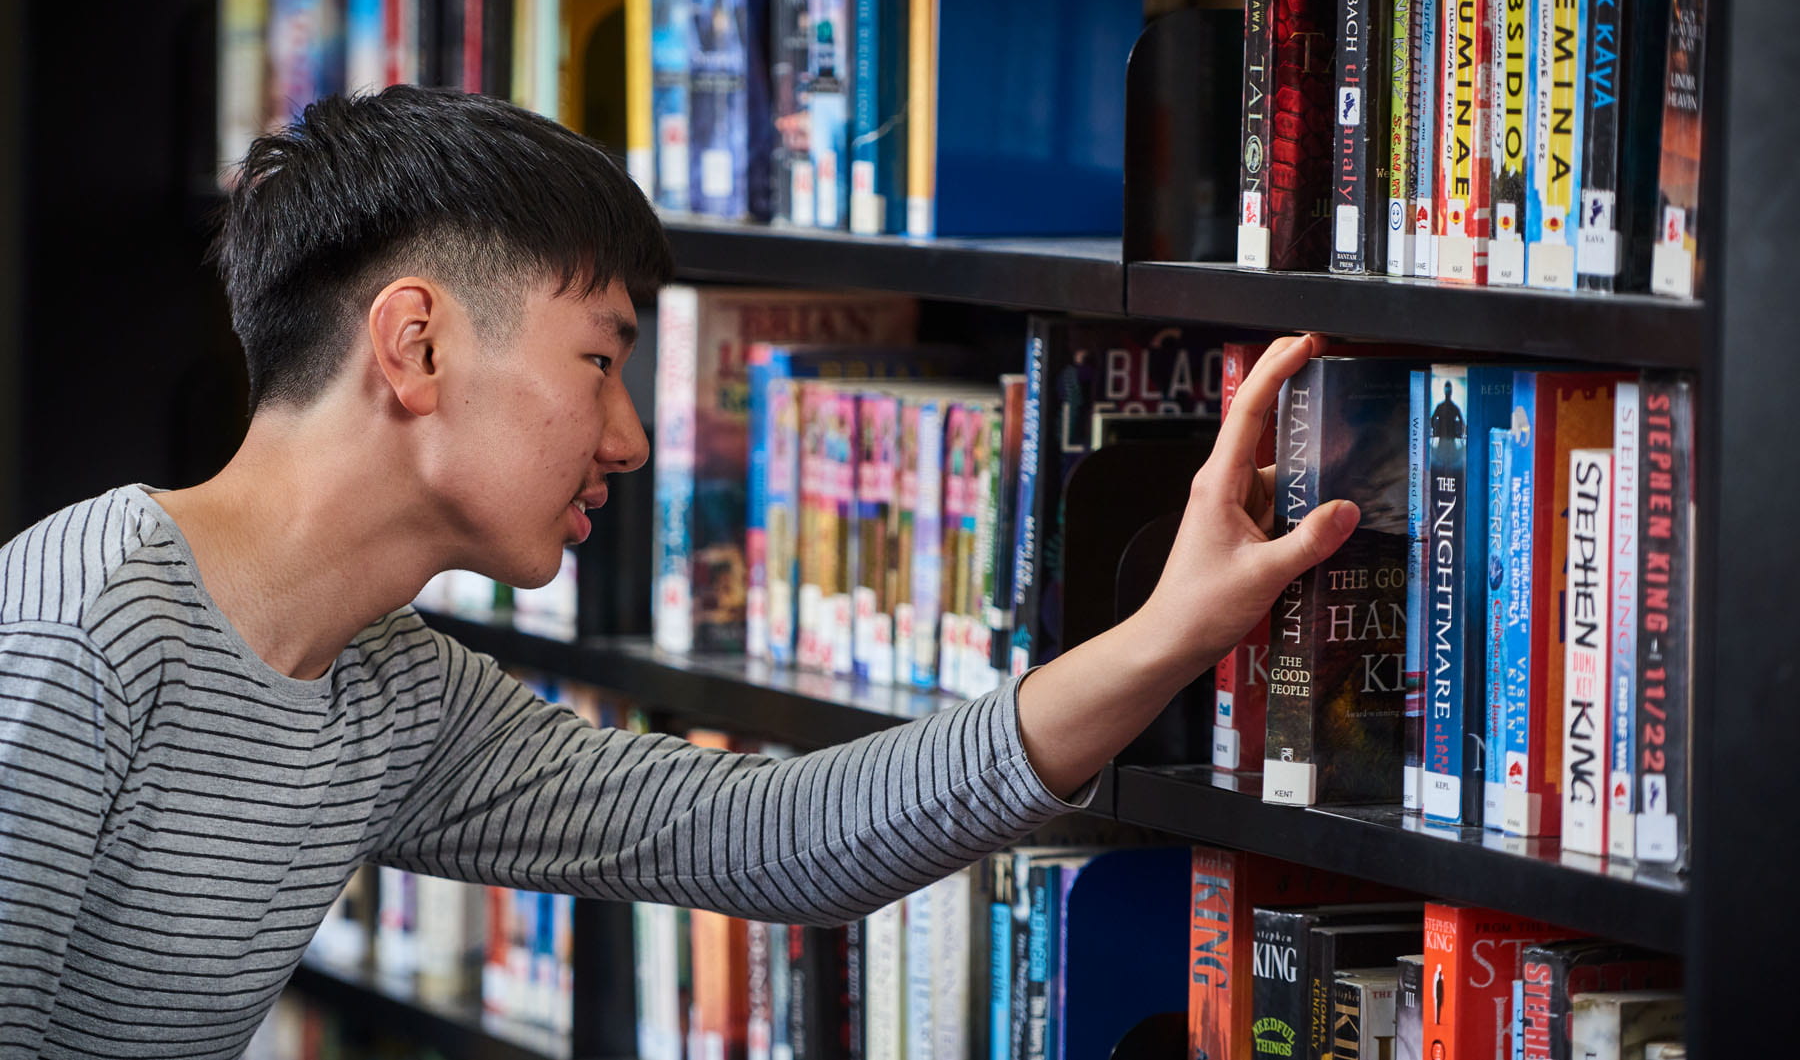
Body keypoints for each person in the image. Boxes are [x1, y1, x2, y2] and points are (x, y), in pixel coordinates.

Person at [0, 86, 1358, 1055]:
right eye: (600, 358)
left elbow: (771, 837)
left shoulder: (388, 694)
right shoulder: (86, 628)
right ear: (413, 347)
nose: (635, 437)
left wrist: (1173, 631)